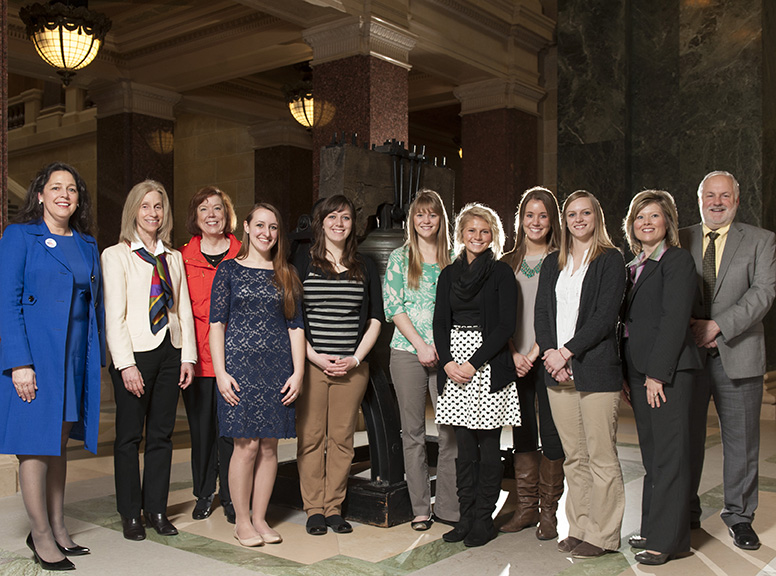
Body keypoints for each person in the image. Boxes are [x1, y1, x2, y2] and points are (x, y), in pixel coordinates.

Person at [0, 162, 105, 571]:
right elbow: (7, 303)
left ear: (79, 199)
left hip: (74, 355)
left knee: (58, 444)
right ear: (40, 194)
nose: (65, 194)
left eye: (73, 189)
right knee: (35, 445)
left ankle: (58, 525)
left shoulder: (87, 243)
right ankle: (40, 534)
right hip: (37, 355)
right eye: (56, 187)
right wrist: (18, 364)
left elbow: (93, 304)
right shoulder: (19, 236)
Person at [680, 171, 776, 551]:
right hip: (687, 356)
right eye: (710, 195)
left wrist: (717, 325)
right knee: (684, 439)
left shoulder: (761, 240)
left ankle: (739, 516)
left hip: (738, 354)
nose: (717, 202)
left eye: (725, 196)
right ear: (700, 199)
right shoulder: (680, 237)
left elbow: (764, 293)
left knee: (742, 443)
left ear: (737, 201)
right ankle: (683, 511)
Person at [102, 180, 197, 541]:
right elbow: (115, 316)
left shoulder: (173, 258)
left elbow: (183, 310)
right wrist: (125, 365)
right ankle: (130, 513)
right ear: (133, 211)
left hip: (170, 351)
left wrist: (187, 356)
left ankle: (156, 508)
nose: (152, 213)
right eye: (145, 206)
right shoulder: (116, 255)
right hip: (135, 352)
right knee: (128, 437)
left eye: (158, 206)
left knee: (162, 435)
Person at [534, 190, 626, 559]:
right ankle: (581, 526)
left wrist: (567, 352)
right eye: (571, 214)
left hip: (596, 369)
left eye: (585, 212)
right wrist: (550, 356)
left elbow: (605, 318)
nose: (578, 219)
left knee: (601, 455)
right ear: (564, 220)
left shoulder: (611, 259)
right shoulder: (552, 262)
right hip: (557, 373)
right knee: (574, 456)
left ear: (596, 217)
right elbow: (542, 314)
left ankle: (604, 535)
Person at [210, 203, 305, 547]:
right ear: (246, 227)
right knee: (246, 446)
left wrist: (298, 373)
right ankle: (242, 521)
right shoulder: (229, 271)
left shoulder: (287, 273)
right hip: (240, 369)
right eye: (261, 225)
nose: (267, 233)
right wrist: (220, 372)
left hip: (277, 369)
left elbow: (296, 327)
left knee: (269, 447)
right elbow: (216, 325)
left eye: (274, 227)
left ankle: (261, 518)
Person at [293, 194, 383, 536]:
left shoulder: (366, 264)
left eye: (345, 218)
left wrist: (356, 358)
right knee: (312, 436)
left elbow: (375, 318)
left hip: (352, 367)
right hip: (313, 365)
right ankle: (313, 508)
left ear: (352, 224)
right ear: (321, 222)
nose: (338, 223)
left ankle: (334, 508)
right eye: (332, 217)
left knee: (342, 438)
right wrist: (313, 356)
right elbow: (294, 316)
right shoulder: (303, 259)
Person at [621, 190, 701, 565]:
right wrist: (628, 373)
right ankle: (656, 529)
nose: (646, 223)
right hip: (639, 372)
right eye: (640, 217)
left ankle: (667, 542)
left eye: (654, 216)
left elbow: (673, 319)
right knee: (653, 457)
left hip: (666, 372)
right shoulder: (634, 265)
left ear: (667, 221)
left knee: (670, 455)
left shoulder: (677, 260)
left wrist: (656, 373)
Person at [434, 203, 520, 548]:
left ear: (493, 237)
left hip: (488, 363)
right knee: (463, 446)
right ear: (461, 235)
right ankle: (465, 517)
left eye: (485, 231)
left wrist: (473, 362)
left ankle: (484, 520)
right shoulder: (448, 275)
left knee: (488, 446)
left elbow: (505, 326)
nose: (478, 237)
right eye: (471, 230)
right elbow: (440, 322)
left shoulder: (501, 274)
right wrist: (448, 363)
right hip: (454, 363)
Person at [383, 189, 458, 531]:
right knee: (412, 432)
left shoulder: (455, 259)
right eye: (420, 215)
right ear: (412, 220)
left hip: (448, 356)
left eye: (433, 214)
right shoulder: (400, 258)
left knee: (450, 433)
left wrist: (443, 347)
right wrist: (421, 345)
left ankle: (447, 506)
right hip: (407, 352)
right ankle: (419, 509)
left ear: (442, 219)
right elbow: (393, 307)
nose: (426, 220)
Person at [499, 187, 565, 540]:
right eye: (529, 215)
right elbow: (498, 314)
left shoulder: (562, 259)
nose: (535, 222)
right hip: (514, 357)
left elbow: (559, 314)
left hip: (548, 358)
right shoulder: (507, 261)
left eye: (542, 215)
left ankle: (549, 513)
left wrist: (535, 353)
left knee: (553, 435)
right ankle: (525, 509)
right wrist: (513, 352)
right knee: (523, 433)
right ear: (520, 220)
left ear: (552, 220)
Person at [179, 186, 241, 523]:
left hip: (236, 359)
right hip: (199, 359)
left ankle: (232, 495)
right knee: (201, 431)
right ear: (196, 217)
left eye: (218, 208)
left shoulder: (244, 253)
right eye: (204, 209)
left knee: (232, 431)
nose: (212, 214)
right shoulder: (181, 257)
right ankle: (204, 493)